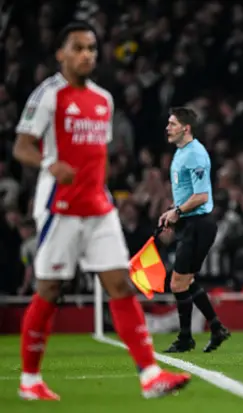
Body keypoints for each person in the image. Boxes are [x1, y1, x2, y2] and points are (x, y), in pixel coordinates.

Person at [11, 21, 190, 401]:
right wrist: (49, 163)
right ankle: (29, 380)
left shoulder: (103, 100)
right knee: (50, 289)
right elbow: (21, 147)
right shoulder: (48, 95)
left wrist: (106, 190)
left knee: (121, 285)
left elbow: (99, 154)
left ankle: (150, 375)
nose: (86, 55)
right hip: (59, 206)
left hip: (98, 206)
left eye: (92, 48)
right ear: (61, 53)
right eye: (78, 48)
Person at [159, 107, 230, 353]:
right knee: (185, 282)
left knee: (178, 283)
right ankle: (216, 327)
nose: (168, 128)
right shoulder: (181, 152)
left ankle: (187, 337)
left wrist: (177, 212)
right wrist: (172, 210)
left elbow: (201, 196)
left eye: (172, 124)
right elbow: (189, 193)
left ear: (185, 128)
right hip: (189, 223)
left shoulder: (196, 154)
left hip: (199, 224)